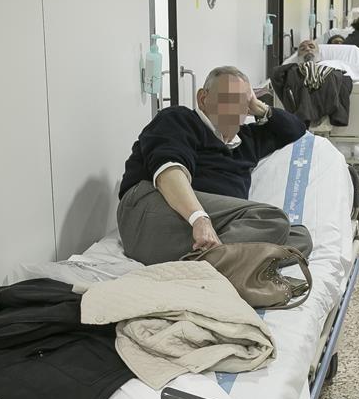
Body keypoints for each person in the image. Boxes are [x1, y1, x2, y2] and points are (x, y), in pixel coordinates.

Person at [116, 66, 312, 266]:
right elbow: (169, 171)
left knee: (300, 239)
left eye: (242, 103)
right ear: (203, 99)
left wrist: (255, 104)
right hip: (155, 211)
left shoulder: (248, 140)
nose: (236, 109)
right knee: (273, 220)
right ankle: (225, 262)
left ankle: (204, 262)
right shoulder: (179, 119)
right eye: (229, 100)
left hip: (212, 228)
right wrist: (200, 219)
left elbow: (295, 129)